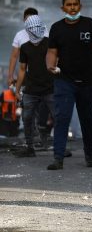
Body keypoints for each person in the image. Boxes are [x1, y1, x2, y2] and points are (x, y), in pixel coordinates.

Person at [46, 0, 92, 170]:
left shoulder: (89, 24)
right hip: (64, 80)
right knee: (62, 117)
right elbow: (52, 52)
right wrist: (50, 65)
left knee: (87, 119)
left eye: (75, 4)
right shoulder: (56, 28)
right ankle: (58, 158)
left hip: (88, 81)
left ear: (80, 6)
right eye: (69, 5)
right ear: (63, 8)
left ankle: (90, 156)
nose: (72, 8)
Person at [13, 15, 54, 158]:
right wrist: (17, 90)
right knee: (27, 118)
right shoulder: (24, 47)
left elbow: (58, 63)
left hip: (50, 87)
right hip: (31, 89)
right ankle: (30, 147)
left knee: (59, 117)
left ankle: (59, 147)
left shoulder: (50, 43)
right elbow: (23, 69)